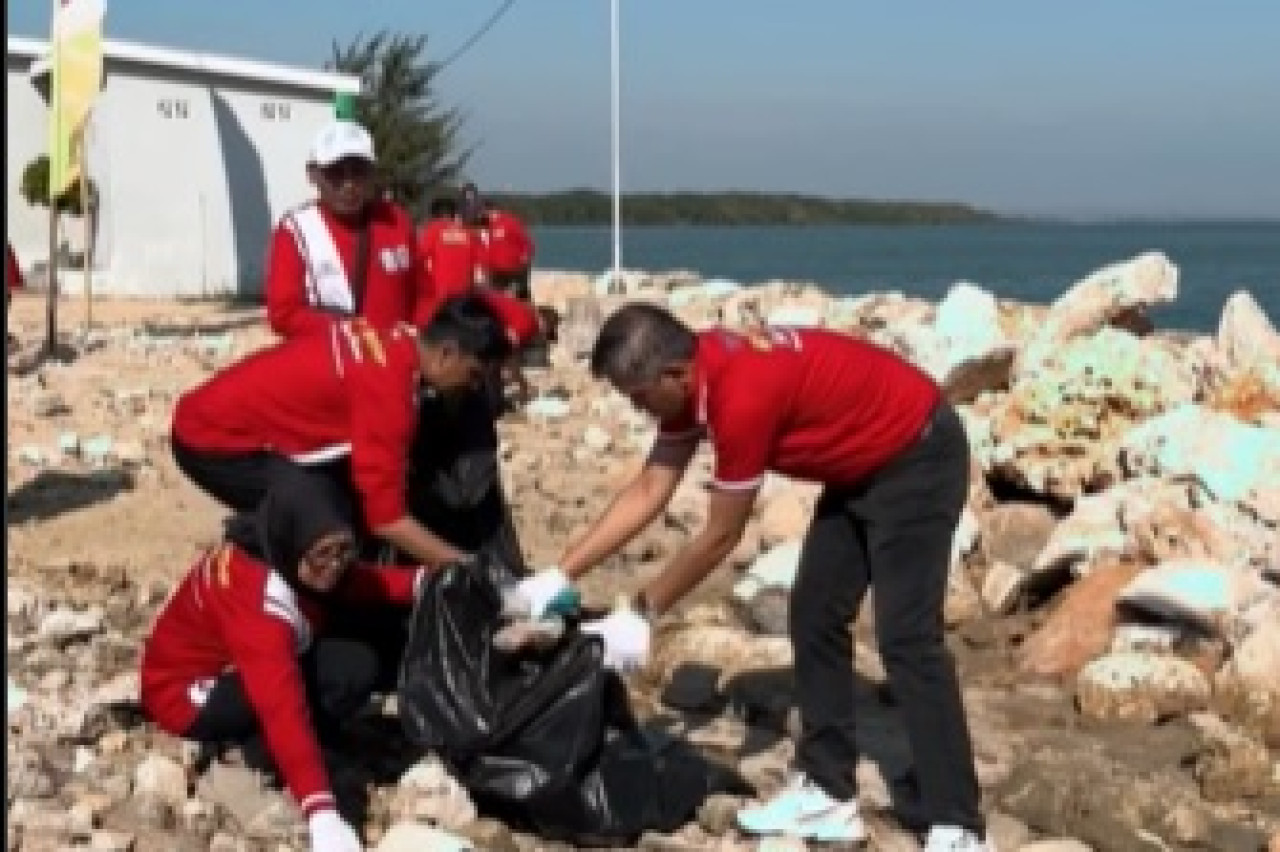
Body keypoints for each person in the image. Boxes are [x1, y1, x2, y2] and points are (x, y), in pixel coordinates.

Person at [510, 304, 990, 850]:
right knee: (814, 615)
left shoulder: (741, 396)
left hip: (917, 454)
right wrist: (556, 574)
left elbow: (722, 534)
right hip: (858, 464)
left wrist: (642, 614)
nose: (638, 409)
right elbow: (650, 488)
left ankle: (959, 824)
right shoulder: (694, 377)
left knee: (907, 638)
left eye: (639, 396)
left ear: (674, 374)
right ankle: (829, 793)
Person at [141, 466, 426, 852]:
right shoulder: (258, 599)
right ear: (295, 543)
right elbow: (281, 705)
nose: (336, 564)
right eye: (323, 555)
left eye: (345, 549)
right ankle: (259, 751)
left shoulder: (283, 549)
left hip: (241, 667)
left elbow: (358, 582)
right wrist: (321, 811)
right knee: (328, 683)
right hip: (187, 694)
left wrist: (431, 582)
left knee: (356, 662)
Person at [170, 294, 519, 569]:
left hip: (219, 411)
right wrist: (468, 567)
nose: (470, 387)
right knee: (323, 531)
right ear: (446, 355)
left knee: (345, 502)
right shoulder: (389, 394)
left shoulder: (395, 336)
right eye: (472, 375)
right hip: (214, 441)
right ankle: (250, 572)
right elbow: (388, 520)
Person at [265, 120, 425, 338]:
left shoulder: (395, 220)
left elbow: (424, 294)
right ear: (313, 174)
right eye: (335, 172)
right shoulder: (295, 231)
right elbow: (283, 314)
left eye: (358, 172)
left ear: (372, 174)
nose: (348, 184)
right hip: (331, 365)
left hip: (396, 363)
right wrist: (352, 331)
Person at [417, 195, 485, 309]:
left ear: (434, 215)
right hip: (464, 289)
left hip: (439, 289)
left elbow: (420, 256)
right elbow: (479, 263)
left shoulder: (433, 230)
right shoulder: (468, 232)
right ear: (454, 214)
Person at [478, 204, 535, 302]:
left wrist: (526, 255)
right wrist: (484, 266)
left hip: (515, 265)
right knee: (497, 296)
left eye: (486, 213)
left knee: (521, 293)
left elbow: (524, 240)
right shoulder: (485, 227)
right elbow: (484, 248)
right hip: (496, 269)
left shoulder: (509, 222)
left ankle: (526, 311)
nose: (486, 216)